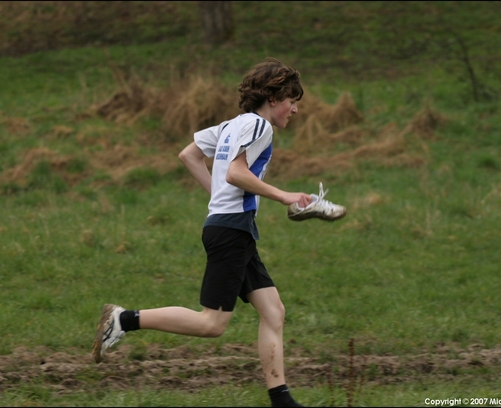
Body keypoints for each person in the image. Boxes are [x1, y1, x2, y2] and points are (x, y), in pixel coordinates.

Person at [92, 57, 345, 407]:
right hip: (231, 232)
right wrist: (284, 196)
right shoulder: (260, 126)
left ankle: (282, 400)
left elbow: (188, 155)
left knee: (273, 311)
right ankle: (122, 319)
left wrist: (220, 198)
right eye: (291, 100)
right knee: (212, 323)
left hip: (232, 227)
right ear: (273, 98)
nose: (295, 109)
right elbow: (236, 174)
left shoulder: (231, 125)